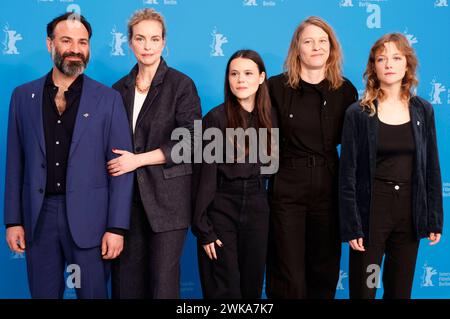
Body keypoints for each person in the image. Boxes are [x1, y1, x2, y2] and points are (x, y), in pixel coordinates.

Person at [4, 13, 133, 299]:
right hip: (39, 219)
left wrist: (116, 226)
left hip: (93, 221)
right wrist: (13, 220)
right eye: (66, 40)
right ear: (50, 44)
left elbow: (122, 168)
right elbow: (15, 164)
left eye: (82, 42)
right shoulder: (22, 96)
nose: (75, 48)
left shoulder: (108, 99)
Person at [339, 33, 443, 299]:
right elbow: (347, 173)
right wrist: (352, 225)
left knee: (399, 291)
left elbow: (431, 167)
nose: (389, 64)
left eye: (396, 58)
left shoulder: (423, 111)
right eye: (381, 58)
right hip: (372, 213)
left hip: (408, 213)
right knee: (366, 289)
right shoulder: (358, 113)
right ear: (373, 66)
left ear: (407, 65)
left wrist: (434, 219)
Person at [107, 8, 202, 299]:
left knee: (163, 287)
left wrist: (138, 160)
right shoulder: (117, 90)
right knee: (126, 286)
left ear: (163, 43)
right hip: (126, 204)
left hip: (168, 204)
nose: (147, 46)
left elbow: (192, 141)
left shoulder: (180, 85)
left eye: (154, 39)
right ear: (130, 43)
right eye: (140, 38)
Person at [266, 16, 358, 299]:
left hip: (329, 185)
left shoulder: (345, 91)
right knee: (287, 270)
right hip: (287, 185)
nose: (316, 47)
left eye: (322, 41)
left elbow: (356, 149)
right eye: (308, 41)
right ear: (298, 49)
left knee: (324, 268)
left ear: (331, 48)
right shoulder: (275, 87)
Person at [192, 49, 278, 299]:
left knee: (251, 288)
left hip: (257, 208)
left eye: (248, 73)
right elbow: (203, 178)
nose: (241, 80)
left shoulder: (271, 117)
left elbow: (271, 169)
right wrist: (203, 227)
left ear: (261, 77)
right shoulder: (215, 119)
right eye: (234, 74)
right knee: (224, 289)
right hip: (221, 207)